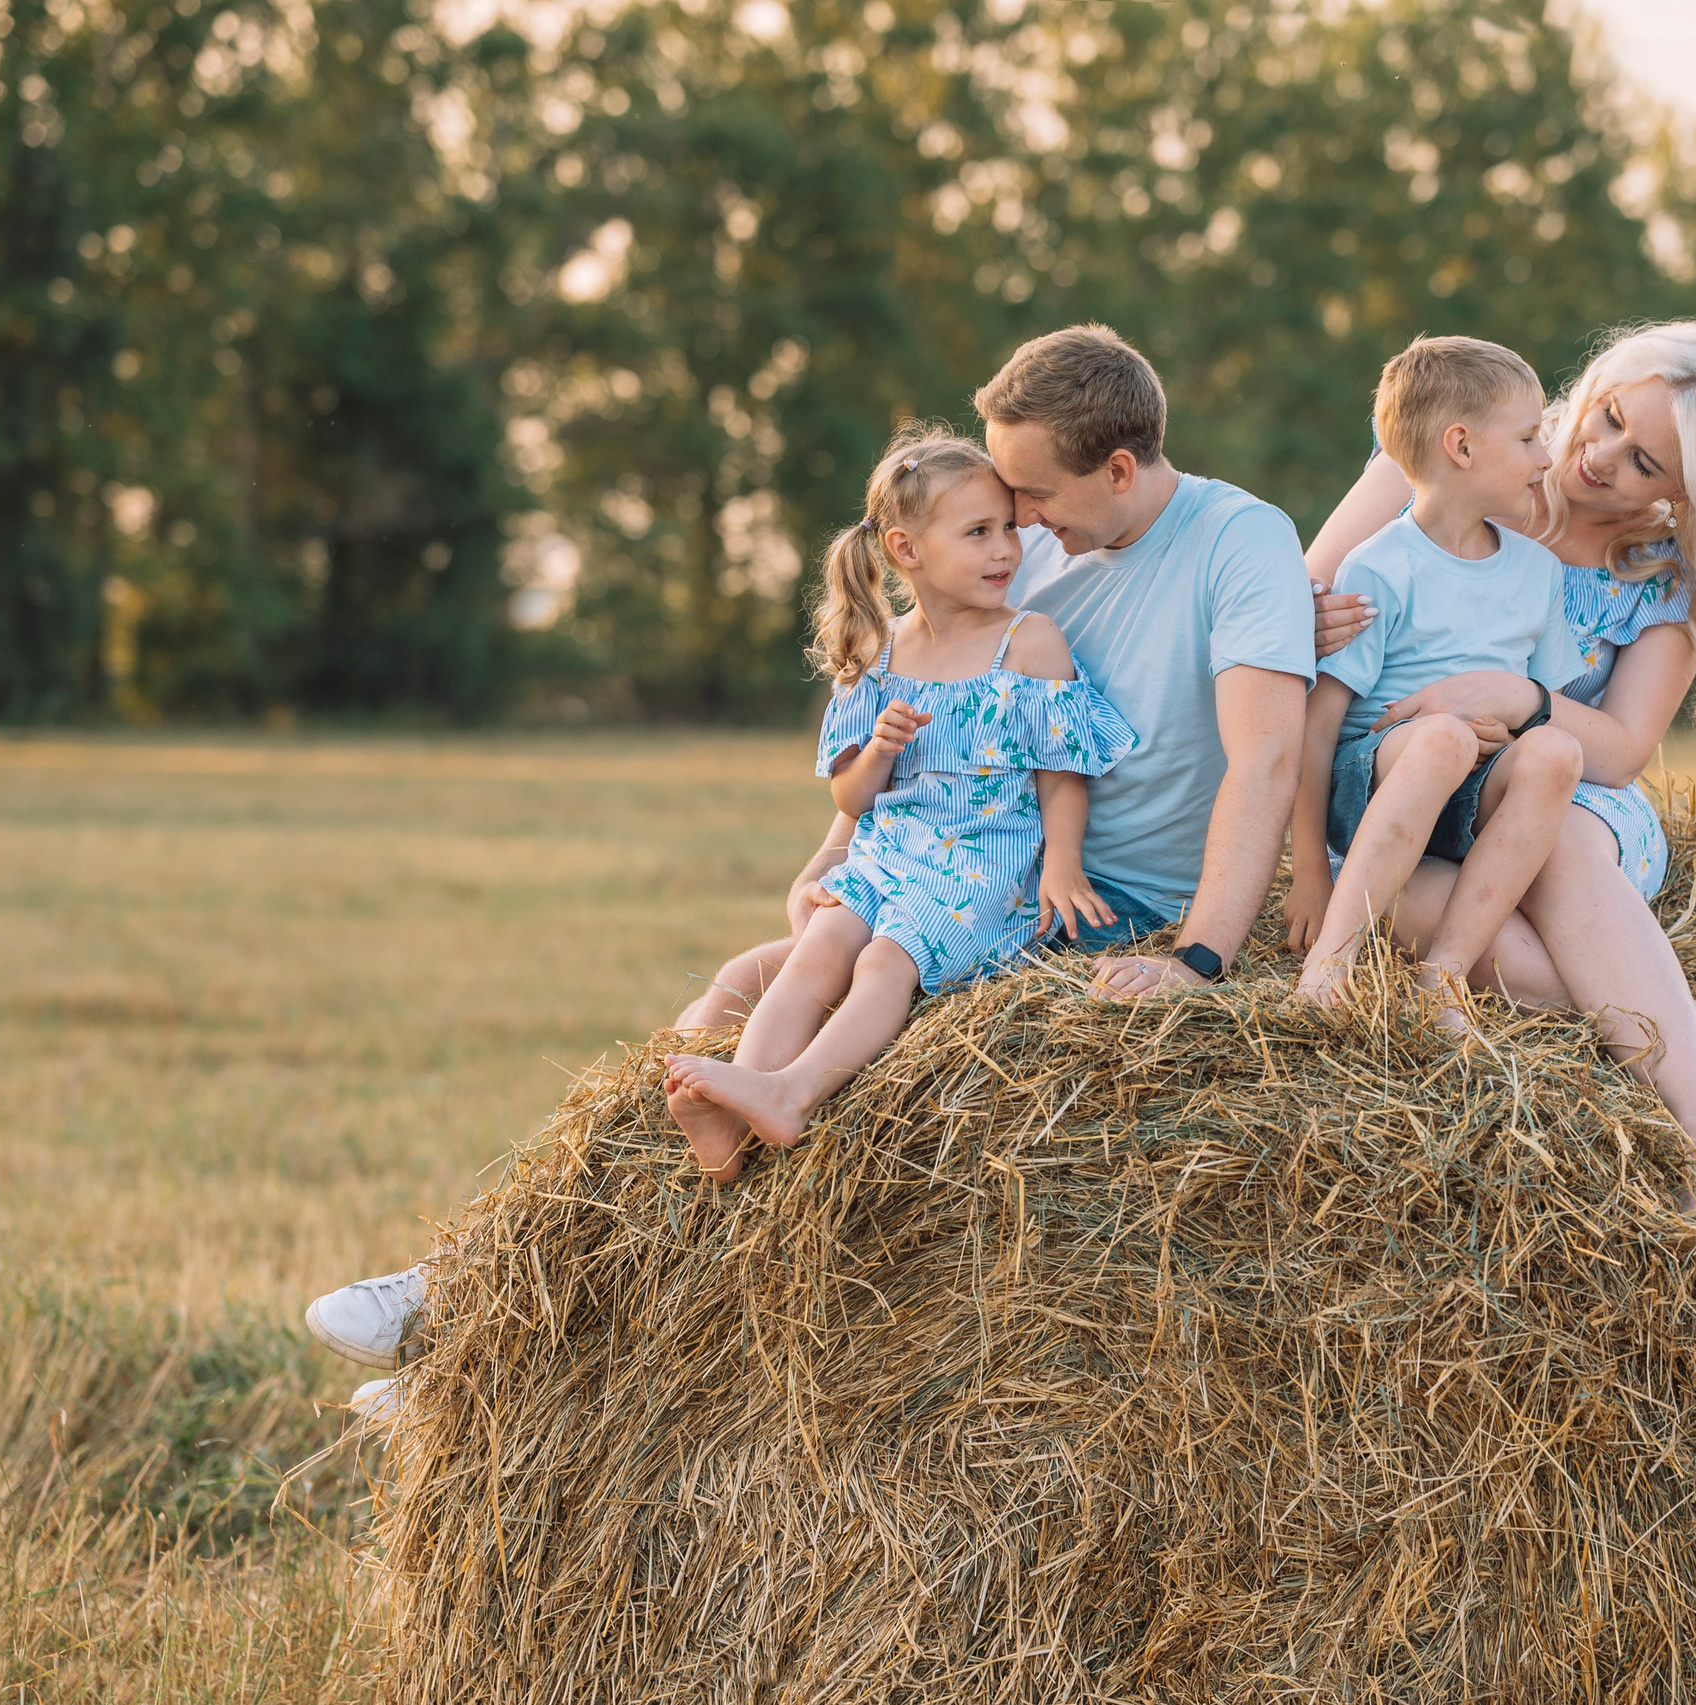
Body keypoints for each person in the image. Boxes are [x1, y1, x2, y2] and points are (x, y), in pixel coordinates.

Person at [302, 324, 1314, 1382]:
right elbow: (922, 707)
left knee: (799, 997)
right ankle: (479, 1311)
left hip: (1070, 901)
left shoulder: (1235, 544)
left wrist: (1197, 959)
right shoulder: (1032, 540)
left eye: (1034, 496)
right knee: (744, 985)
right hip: (945, 857)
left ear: (1115, 469)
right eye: (1005, 501)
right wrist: (835, 845)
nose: (1017, 522)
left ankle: (466, 1329)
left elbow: (1265, 757)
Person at [1303, 320, 1696, 1219]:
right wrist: (1316, 620)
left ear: (1688, 494)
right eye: (1607, 417)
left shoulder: (1661, 579)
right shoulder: (1465, 443)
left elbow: (1622, 745)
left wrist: (1518, 695)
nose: (1597, 457)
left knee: (1556, 807)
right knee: (1480, 945)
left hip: (1578, 803)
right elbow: (1314, 605)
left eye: (1645, 463)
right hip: (1412, 787)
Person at [662, 427, 1135, 1180]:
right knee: (818, 948)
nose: (1006, 550)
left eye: (1008, 528)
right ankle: (736, 1104)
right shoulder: (878, 652)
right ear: (906, 550)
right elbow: (850, 796)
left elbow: (1062, 773)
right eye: (978, 533)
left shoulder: (1028, 641)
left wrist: (1064, 865)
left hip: (981, 869)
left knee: (884, 961)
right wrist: (879, 749)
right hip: (890, 856)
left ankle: (794, 1091)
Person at [1284, 335, 1590, 1045]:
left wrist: (1507, 733)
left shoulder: (1536, 572)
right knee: (1444, 737)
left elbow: (1531, 705)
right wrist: (1306, 870)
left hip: (1473, 783)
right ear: (1461, 446)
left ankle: (1444, 973)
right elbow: (1320, 722)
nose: (1547, 457)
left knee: (1556, 753)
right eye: (1527, 436)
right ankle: (1331, 961)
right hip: (1376, 781)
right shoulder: (1381, 566)